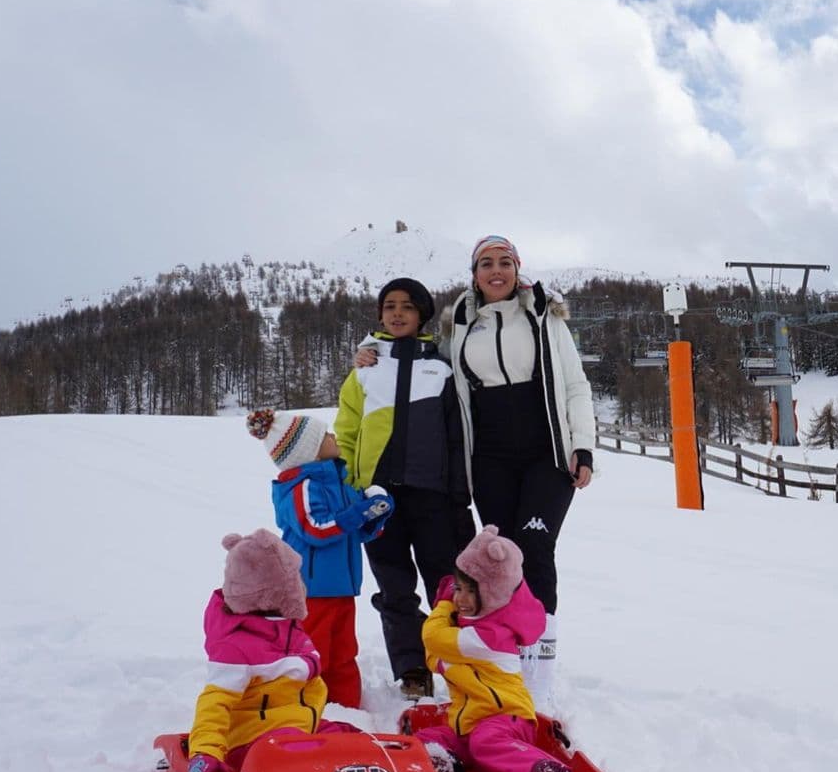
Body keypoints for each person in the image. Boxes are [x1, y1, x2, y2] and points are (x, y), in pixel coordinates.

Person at [354, 235, 596, 711]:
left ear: (518, 269)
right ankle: (500, 661)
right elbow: (410, 348)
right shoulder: (460, 323)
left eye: (505, 262)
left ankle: (537, 674)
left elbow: (575, 384)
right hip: (489, 459)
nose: (496, 271)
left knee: (535, 546)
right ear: (475, 273)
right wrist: (367, 348)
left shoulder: (546, 316)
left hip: (546, 451)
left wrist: (582, 446)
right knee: (500, 557)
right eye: (486, 263)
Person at [334, 277, 475, 700]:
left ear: (422, 315)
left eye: (408, 306)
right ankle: (412, 667)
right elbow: (346, 432)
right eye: (390, 306)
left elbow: (456, 437)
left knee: (444, 585)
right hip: (379, 502)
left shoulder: (442, 368)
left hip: (433, 496)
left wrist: (458, 494)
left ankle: (452, 661)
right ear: (379, 314)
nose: (397, 313)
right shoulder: (364, 371)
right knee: (394, 587)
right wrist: (349, 487)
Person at [186, 528, 357, 772]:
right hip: (252, 744)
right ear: (277, 592)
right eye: (294, 583)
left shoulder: (290, 631)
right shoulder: (236, 646)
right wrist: (206, 750)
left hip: (298, 731)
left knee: (353, 740)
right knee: (314, 751)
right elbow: (214, 704)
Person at [246, 408, 394, 708]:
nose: (333, 436)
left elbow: (353, 532)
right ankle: (306, 709)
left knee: (343, 653)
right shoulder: (302, 486)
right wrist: (358, 513)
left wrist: (375, 515)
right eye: (325, 435)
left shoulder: (336, 483)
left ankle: (348, 711)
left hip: (341, 587)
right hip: (311, 591)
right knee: (315, 653)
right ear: (308, 450)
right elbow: (316, 529)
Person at [414, 525, 573, 772]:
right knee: (428, 739)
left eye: (469, 591)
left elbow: (432, 639)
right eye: (458, 588)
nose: (459, 599)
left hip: (507, 720)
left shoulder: (489, 635)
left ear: (491, 593)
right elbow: (434, 657)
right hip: (470, 724)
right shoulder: (470, 625)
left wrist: (443, 605)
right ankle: (446, 768)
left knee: (486, 743)